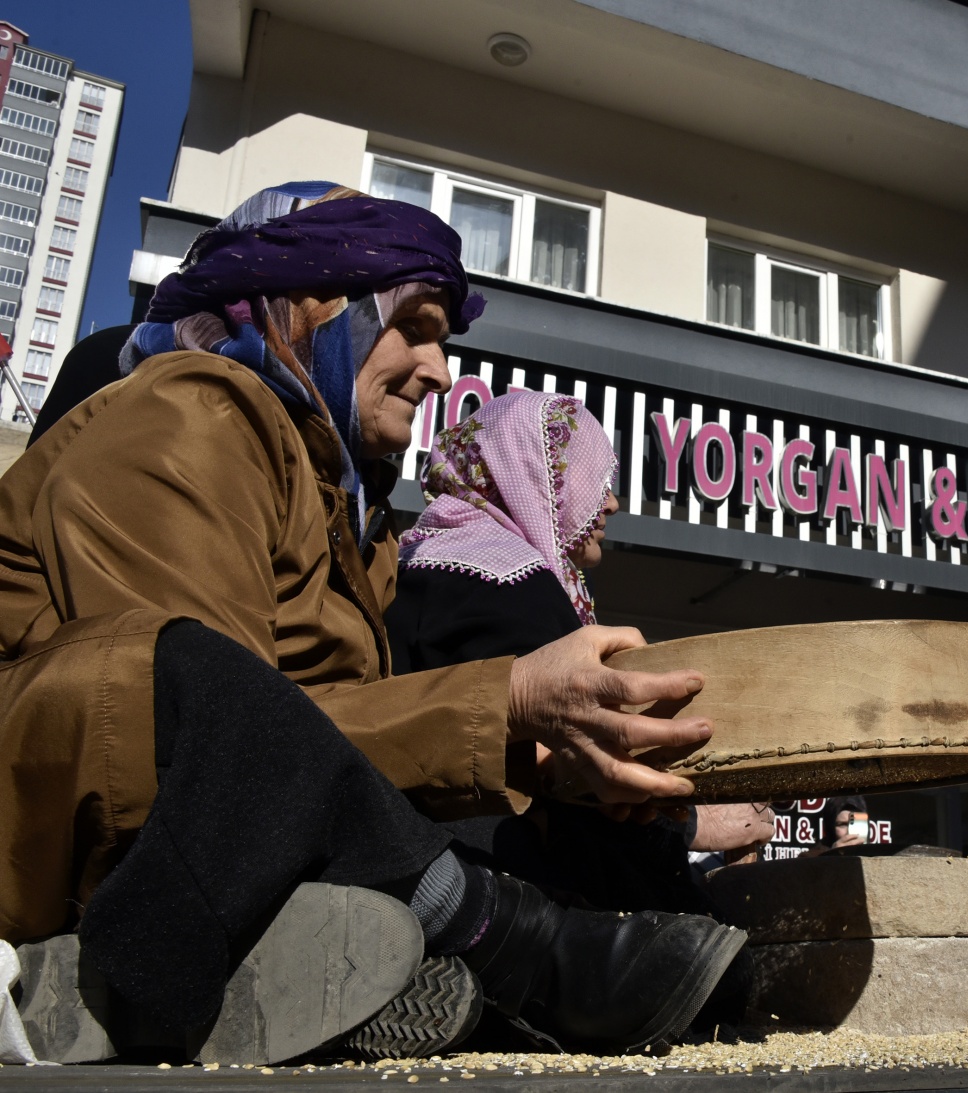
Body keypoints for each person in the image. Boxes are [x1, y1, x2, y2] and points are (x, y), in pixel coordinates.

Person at [0, 182, 743, 1063]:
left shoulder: (354, 514)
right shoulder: (188, 414)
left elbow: (341, 738)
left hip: (217, 834)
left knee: (482, 822)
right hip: (64, 837)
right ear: (313, 308)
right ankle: (506, 950)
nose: (440, 371)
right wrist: (505, 700)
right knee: (206, 689)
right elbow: (211, 730)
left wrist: (546, 764)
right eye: (416, 326)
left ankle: (307, 969)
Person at [388, 391, 773, 914]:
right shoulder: (511, 579)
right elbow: (561, 764)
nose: (610, 502)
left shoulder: (416, 560)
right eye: (594, 480)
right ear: (537, 479)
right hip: (528, 903)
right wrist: (691, 826)